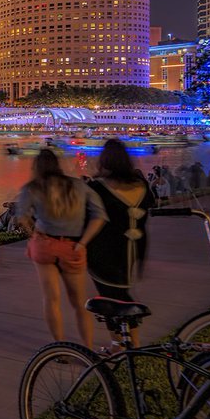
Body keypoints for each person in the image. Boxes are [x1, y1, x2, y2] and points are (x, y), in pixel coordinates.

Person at [16, 150, 108, 350]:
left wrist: (32, 232)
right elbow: (99, 215)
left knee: (51, 299)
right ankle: (88, 349)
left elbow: (21, 216)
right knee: (79, 303)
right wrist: (83, 242)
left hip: (44, 244)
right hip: (72, 246)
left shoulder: (32, 188)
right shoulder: (77, 185)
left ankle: (59, 347)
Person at [87, 140, 155, 350]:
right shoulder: (141, 185)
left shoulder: (97, 187)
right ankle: (129, 341)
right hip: (134, 248)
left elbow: (85, 216)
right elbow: (150, 206)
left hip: (104, 252)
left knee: (110, 298)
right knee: (119, 294)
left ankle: (122, 343)